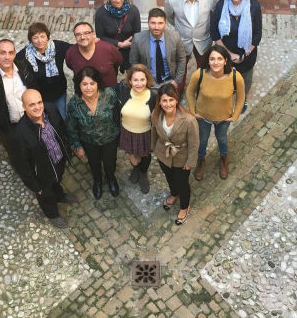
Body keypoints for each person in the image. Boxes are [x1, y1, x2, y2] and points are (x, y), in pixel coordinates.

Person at [12, 89, 76, 228]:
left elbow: (62, 129)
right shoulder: (20, 134)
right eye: (32, 104)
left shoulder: (51, 109)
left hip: (59, 160)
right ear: (24, 107)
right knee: (45, 194)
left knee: (57, 181)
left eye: (39, 102)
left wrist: (67, 150)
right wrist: (36, 187)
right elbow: (21, 165)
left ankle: (60, 196)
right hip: (42, 172)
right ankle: (52, 214)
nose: (37, 107)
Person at [185, 44, 245, 181]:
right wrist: (192, 111)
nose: (215, 62)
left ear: (225, 60)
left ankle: (224, 159)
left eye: (219, 59)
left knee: (222, 139)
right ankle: (201, 161)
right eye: (212, 59)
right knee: (202, 141)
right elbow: (189, 92)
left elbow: (241, 97)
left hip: (224, 118)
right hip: (203, 117)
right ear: (208, 61)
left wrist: (235, 115)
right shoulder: (199, 74)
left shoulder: (235, 77)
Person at [66, 66, 122, 199]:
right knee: (94, 163)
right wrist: (77, 146)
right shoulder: (74, 104)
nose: (88, 88)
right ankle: (98, 181)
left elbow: (117, 115)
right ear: (79, 85)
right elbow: (71, 127)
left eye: (92, 83)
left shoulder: (109, 94)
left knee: (110, 162)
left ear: (98, 83)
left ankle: (111, 179)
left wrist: (119, 135)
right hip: (89, 141)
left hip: (110, 138)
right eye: (84, 84)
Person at [210, 0, 262, 111]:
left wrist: (244, 54)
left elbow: (257, 34)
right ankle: (226, 96)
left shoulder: (254, 6)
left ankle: (242, 98)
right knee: (225, 77)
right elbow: (214, 32)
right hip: (225, 53)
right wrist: (229, 54)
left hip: (247, 54)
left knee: (245, 80)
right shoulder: (221, 5)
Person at [151, 84, 199, 225]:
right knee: (169, 178)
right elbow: (153, 132)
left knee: (182, 183)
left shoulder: (188, 120)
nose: (168, 104)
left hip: (181, 157)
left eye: (171, 100)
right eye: (164, 100)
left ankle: (184, 206)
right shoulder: (156, 115)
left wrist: (190, 162)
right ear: (159, 102)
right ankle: (174, 193)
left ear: (177, 100)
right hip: (163, 154)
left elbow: (194, 143)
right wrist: (153, 148)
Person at [165, 0, 217, 73]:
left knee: (203, 72)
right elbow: (169, 17)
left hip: (204, 41)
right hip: (182, 42)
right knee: (180, 73)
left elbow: (215, 16)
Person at [15, 22, 71, 119]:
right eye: (35, 38)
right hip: (40, 97)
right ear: (31, 40)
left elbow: (77, 48)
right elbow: (11, 59)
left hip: (59, 93)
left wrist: (93, 42)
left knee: (62, 118)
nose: (39, 40)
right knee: (44, 120)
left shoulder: (58, 46)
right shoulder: (25, 53)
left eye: (42, 36)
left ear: (47, 37)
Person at [115, 63, 157, 194]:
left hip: (145, 133)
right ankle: (136, 168)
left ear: (147, 80)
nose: (139, 84)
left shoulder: (153, 96)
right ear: (129, 81)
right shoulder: (122, 91)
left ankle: (143, 173)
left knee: (145, 156)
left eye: (142, 79)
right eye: (135, 80)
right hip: (127, 132)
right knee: (132, 155)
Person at [129, 8, 186, 88]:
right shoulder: (138, 39)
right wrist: (141, 83)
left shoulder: (175, 37)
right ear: (148, 23)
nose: (156, 27)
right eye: (153, 23)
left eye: (160, 23)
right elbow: (134, 63)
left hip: (169, 81)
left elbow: (181, 59)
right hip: (148, 82)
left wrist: (177, 81)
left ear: (165, 23)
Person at [95, 0, 141, 72]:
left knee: (132, 75)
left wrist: (128, 43)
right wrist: (119, 44)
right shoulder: (101, 13)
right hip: (110, 49)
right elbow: (100, 37)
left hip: (129, 48)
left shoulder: (133, 11)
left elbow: (137, 33)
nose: (118, 0)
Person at [65, 21, 122, 89]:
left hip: (109, 93)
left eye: (86, 33)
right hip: (84, 94)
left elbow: (118, 62)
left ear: (93, 34)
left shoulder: (109, 49)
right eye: (78, 34)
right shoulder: (70, 53)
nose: (82, 37)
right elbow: (70, 66)